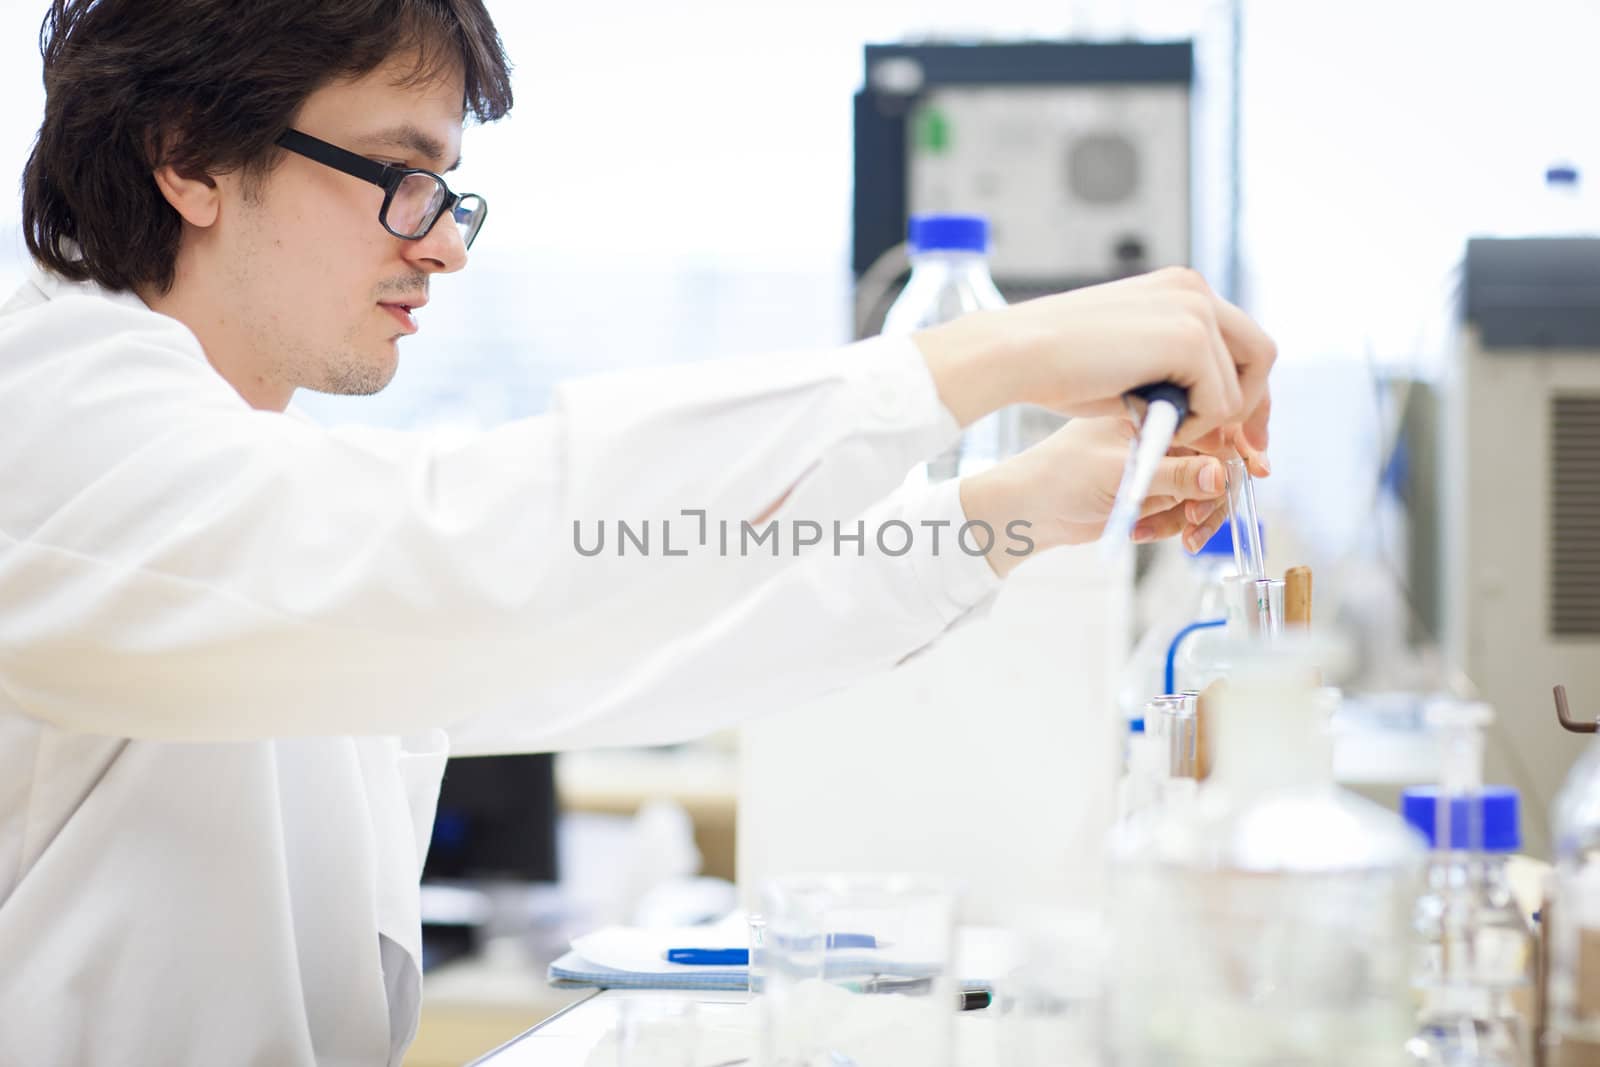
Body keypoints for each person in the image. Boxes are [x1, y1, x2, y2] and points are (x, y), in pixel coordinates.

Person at [0, 1, 1275, 1063]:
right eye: (401, 176)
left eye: (449, 189)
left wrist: (1002, 511)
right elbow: (476, 550)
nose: (442, 245)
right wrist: (977, 359)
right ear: (190, 156)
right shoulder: (42, 418)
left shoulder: (238, 477)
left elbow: (604, 634)